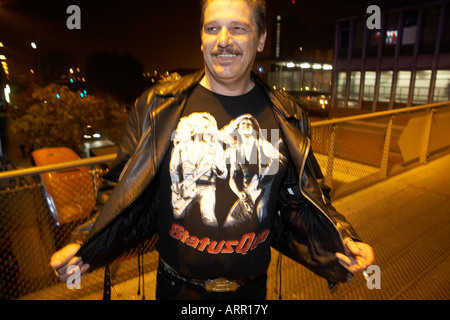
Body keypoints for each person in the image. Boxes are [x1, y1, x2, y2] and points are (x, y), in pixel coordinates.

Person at [50, 0, 374, 300]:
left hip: (250, 295)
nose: (223, 41)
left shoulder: (286, 116)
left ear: (260, 39)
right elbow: (119, 191)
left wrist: (342, 238)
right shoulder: (157, 108)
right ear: (201, 38)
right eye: (212, 28)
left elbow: (304, 199)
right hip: (177, 291)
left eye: (238, 28)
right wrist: (84, 244)